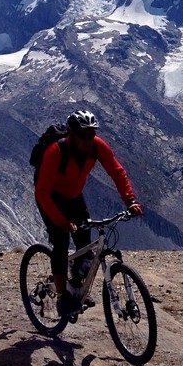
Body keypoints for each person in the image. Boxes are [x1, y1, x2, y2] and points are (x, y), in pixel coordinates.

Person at [34, 110, 144, 315]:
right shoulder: (56, 151)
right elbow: (42, 192)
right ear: (72, 134)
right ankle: (62, 297)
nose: (88, 139)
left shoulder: (97, 146)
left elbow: (116, 171)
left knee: (85, 244)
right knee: (61, 242)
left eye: (91, 134)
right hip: (51, 197)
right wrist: (61, 220)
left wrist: (130, 201)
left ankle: (76, 285)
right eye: (83, 135)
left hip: (74, 196)